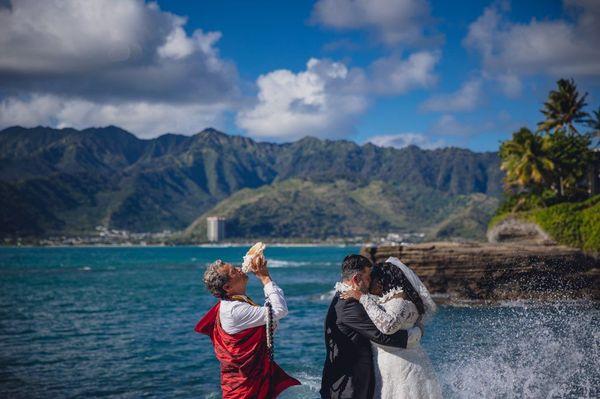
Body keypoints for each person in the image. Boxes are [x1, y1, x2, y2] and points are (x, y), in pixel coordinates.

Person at [195, 255, 300, 398]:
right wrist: (265, 278)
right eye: (233, 271)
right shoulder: (235, 310)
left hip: (248, 377)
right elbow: (279, 311)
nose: (239, 269)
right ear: (227, 287)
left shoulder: (236, 303)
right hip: (245, 384)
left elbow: (270, 320)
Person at [320, 255, 423, 399]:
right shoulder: (348, 303)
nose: (372, 281)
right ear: (356, 279)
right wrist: (416, 334)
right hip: (349, 385)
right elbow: (380, 335)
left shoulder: (346, 297)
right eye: (368, 277)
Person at [340, 257, 442, 399]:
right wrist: (417, 332)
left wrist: (362, 297)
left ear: (381, 281)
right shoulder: (389, 300)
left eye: (371, 279)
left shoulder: (399, 301)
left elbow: (388, 327)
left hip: (403, 365)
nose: (368, 285)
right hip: (394, 364)